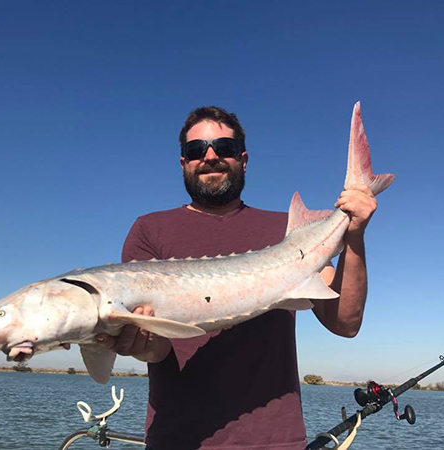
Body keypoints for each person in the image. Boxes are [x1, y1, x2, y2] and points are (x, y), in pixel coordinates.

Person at [95, 106, 378, 450]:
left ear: (244, 159)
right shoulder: (149, 230)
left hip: (277, 441)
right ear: (183, 162)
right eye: (197, 150)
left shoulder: (288, 232)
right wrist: (135, 342)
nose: (210, 156)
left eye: (224, 148)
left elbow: (344, 322)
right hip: (177, 440)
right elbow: (157, 347)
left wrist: (355, 235)